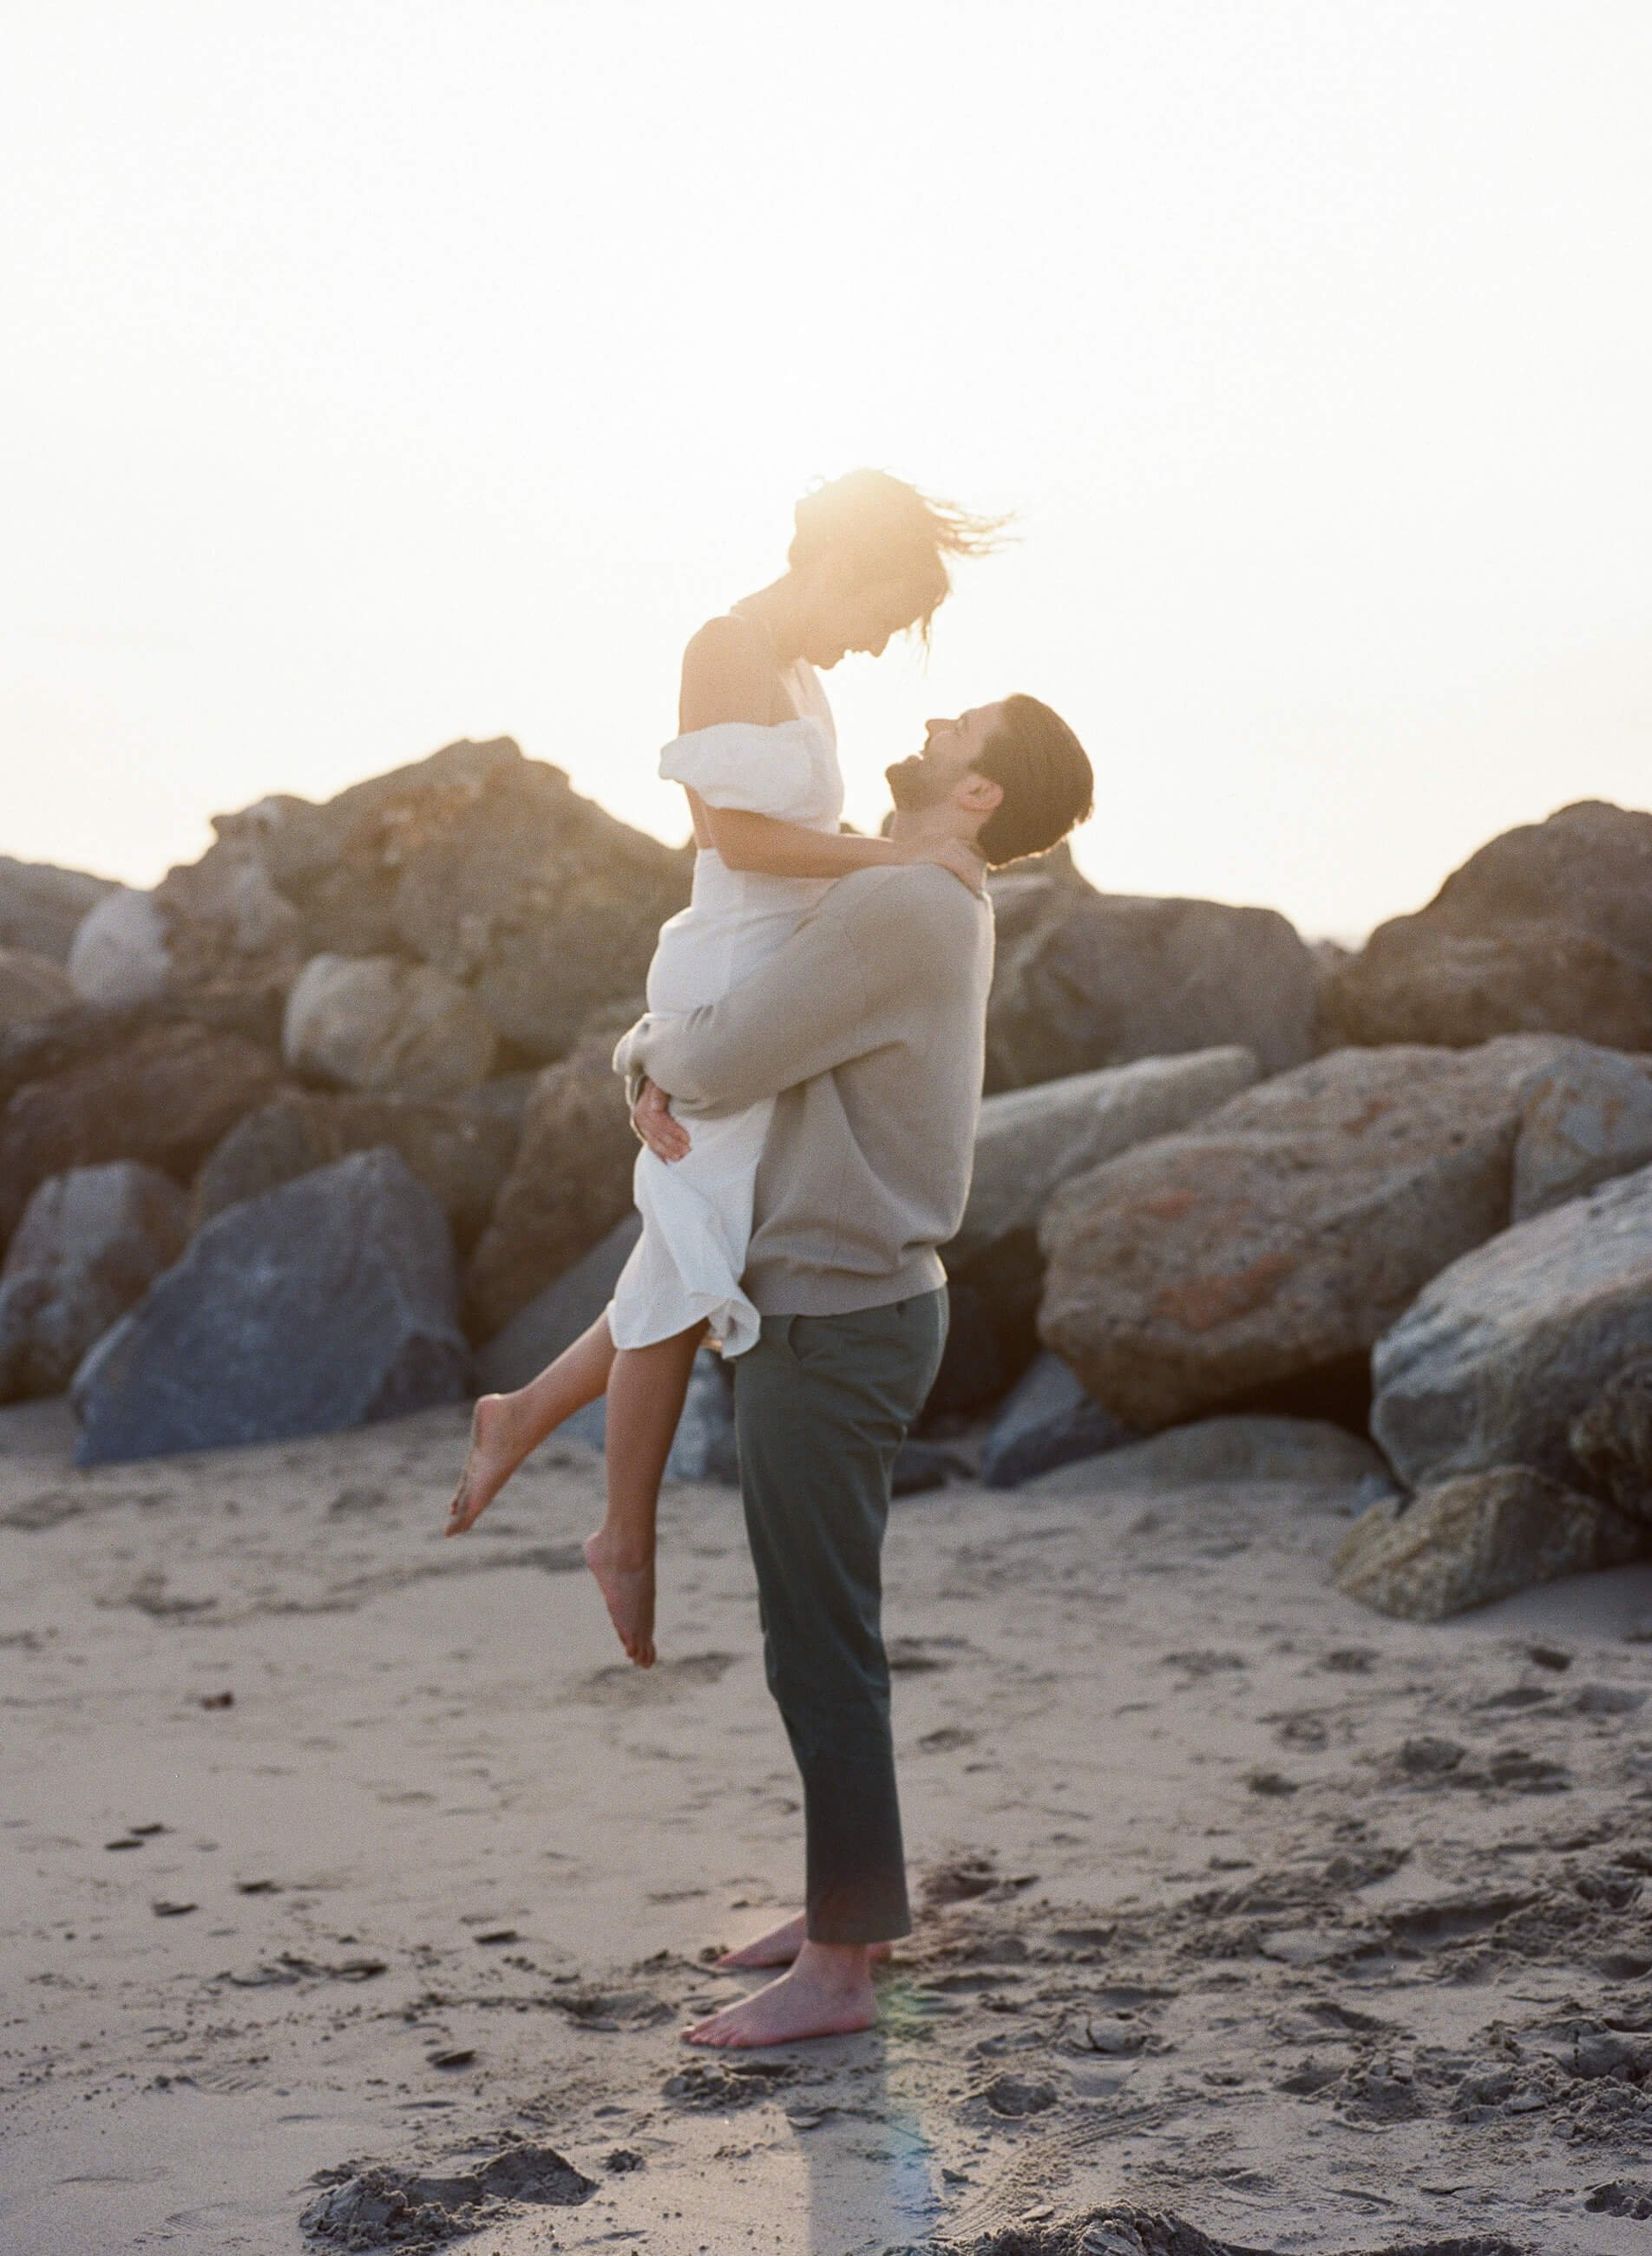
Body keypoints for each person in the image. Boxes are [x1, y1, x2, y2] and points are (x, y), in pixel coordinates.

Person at [444, 470, 1003, 1669]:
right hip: (728, 972)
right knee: (694, 1260)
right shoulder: (728, 646)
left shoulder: (798, 674)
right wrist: (896, 865)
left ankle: (535, 1428)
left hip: (782, 973)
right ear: (837, 566)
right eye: (881, 611)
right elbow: (729, 835)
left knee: (688, 1254)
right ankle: (619, 1532)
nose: (874, 645)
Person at [617, 693, 1094, 2047]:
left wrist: (637, 1053)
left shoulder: (905, 906)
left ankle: (840, 1970)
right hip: (849, 1303)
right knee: (818, 1635)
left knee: (820, 1644)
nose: (937, 718)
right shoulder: (928, 896)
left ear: (983, 790)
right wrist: (665, 1066)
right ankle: (847, 1911)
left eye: (967, 723)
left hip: (838, 1315)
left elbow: (710, 1058)